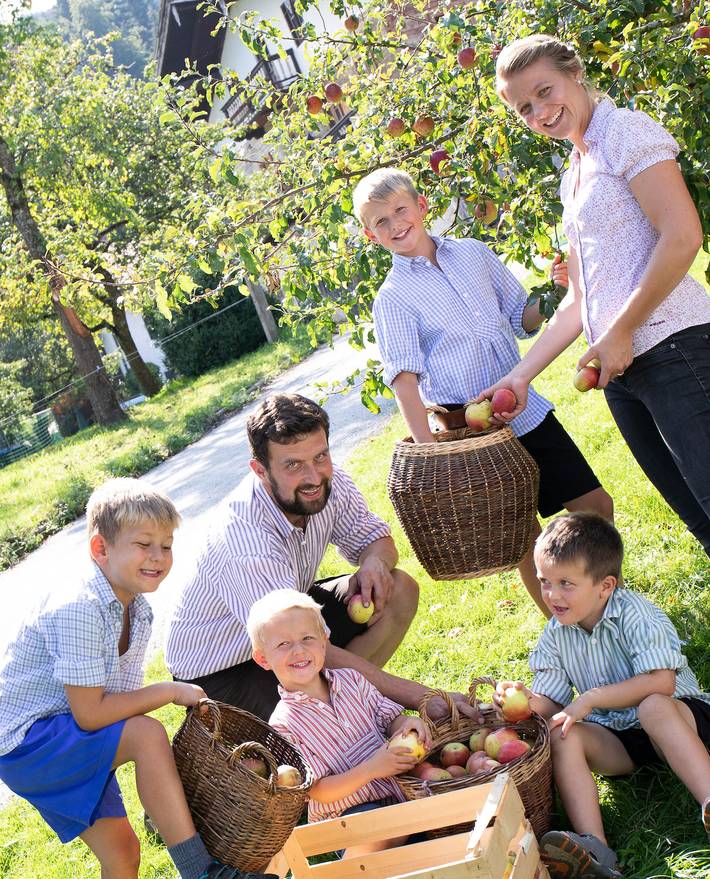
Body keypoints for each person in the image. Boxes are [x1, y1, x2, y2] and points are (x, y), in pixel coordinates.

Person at [482, 34, 710, 556]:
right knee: (697, 515)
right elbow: (580, 300)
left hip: (675, 348)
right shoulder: (575, 173)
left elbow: (683, 235)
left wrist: (622, 331)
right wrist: (519, 377)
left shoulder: (625, 132)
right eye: (524, 108)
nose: (540, 111)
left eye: (545, 91)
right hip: (622, 373)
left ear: (575, 74)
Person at [353, 167, 613, 616]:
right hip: (473, 437)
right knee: (524, 540)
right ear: (370, 234)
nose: (395, 225)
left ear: (422, 205)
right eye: (381, 222)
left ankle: (612, 608)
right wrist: (431, 453)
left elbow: (521, 318)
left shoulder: (473, 253)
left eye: (400, 210)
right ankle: (571, 633)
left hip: (525, 412)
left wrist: (553, 292)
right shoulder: (393, 298)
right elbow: (405, 383)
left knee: (594, 506)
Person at [0, 478, 273, 879]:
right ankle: (202, 872)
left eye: (166, 545)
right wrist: (167, 691)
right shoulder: (81, 606)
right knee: (146, 734)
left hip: (62, 732)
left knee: (123, 855)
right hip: (27, 740)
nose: (158, 557)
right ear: (101, 548)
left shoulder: (137, 609)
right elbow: (92, 715)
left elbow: (115, 702)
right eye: (144, 544)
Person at [166, 393, 473, 722]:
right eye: (293, 465)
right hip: (222, 674)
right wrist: (420, 696)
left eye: (320, 456)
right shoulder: (245, 538)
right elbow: (295, 638)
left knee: (398, 589)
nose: (313, 477)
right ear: (260, 470)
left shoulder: (328, 480)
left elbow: (377, 540)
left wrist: (375, 563)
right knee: (307, 690)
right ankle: (335, 716)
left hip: (288, 625)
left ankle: (348, 708)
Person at [495, 513, 710, 878]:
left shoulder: (634, 614)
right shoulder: (556, 634)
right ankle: (595, 848)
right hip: (622, 740)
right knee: (563, 730)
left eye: (566, 583)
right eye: (545, 581)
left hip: (681, 720)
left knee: (653, 706)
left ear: (605, 585)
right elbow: (552, 698)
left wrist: (592, 698)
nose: (551, 595)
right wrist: (521, 701)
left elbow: (662, 683)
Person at [247, 589, 431, 858]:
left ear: (324, 641)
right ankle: (355, 867)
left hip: (399, 793)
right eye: (283, 645)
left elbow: (389, 717)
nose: (299, 650)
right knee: (379, 826)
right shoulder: (284, 725)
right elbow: (319, 791)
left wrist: (408, 725)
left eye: (307, 638)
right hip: (349, 817)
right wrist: (372, 768)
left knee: (432, 810)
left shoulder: (351, 681)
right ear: (263, 658)